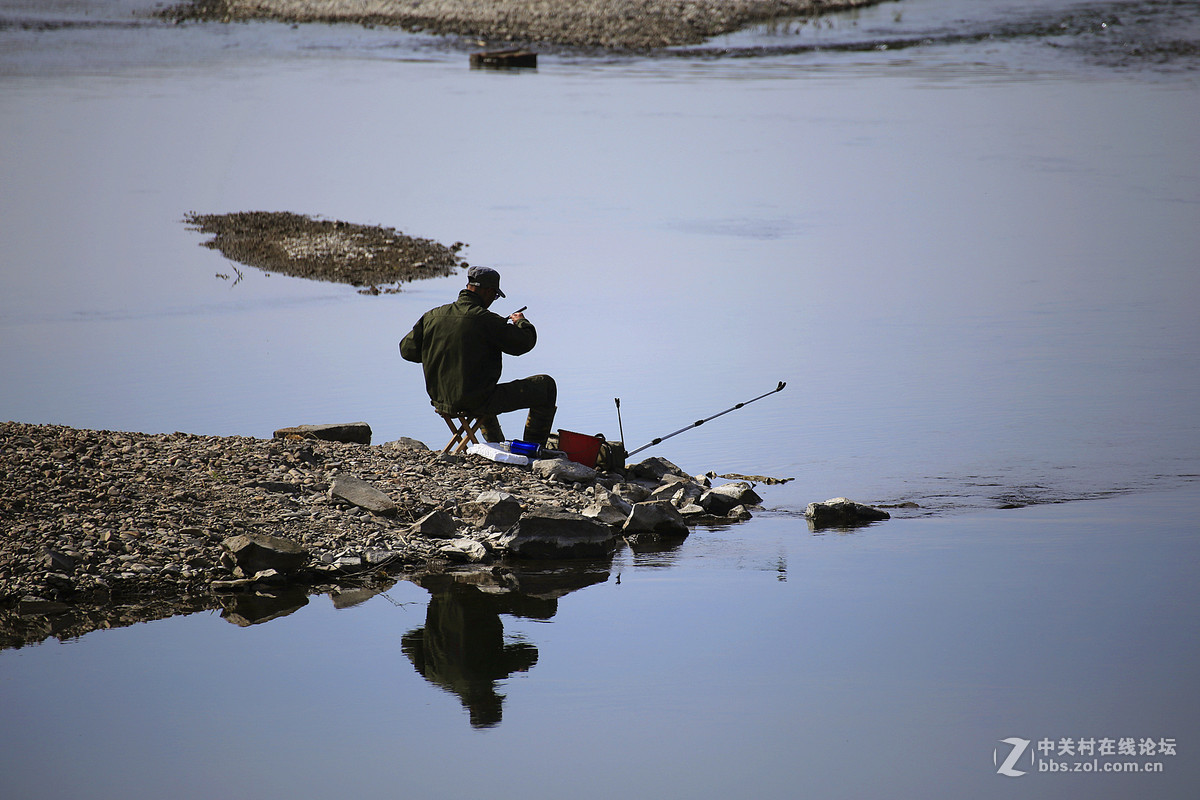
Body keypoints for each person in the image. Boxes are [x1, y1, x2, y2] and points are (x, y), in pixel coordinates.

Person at [399, 266, 557, 446]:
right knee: (546, 386)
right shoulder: (485, 319)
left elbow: (407, 350)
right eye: (495, 296)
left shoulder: (432, 316)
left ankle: (496, 444)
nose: (493, 300)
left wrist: (440, 352)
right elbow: (524, 343)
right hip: (475, 400)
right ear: (488, 291)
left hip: (441, 401)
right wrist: (521, 322)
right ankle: (533, 449)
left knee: (479, 387)